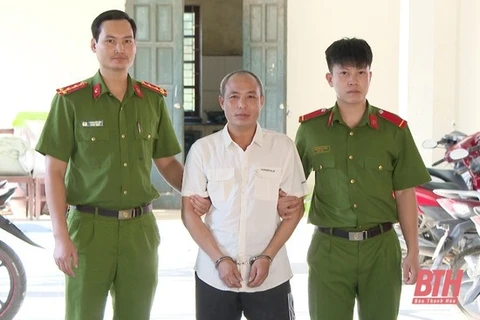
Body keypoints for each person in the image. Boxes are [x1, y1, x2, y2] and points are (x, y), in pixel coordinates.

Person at [35, 9, 209, 320]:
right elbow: (55, 172)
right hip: (88, 230)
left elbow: (167, 162)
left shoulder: (152, 100)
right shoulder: (71, 101)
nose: (120, 49)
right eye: (111, 41)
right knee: (82, 314)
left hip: (138, 231)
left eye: (127, 41)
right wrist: (61, 237)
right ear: (94, 45)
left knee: (136, 314)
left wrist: (199, 192)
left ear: (135, 46)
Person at [294, 38, 431, 320]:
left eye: (361, 72)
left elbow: (406, 194)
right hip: (329, 249)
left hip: (380, 248)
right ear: (330, 78)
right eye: (344, 73)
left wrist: (413, 252)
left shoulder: (394, 131)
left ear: (370, 76)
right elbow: (292, 187)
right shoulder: (311, 130)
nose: (353, 81)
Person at [181, 70, 308, 320]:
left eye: (251, 97)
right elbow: (189, 214)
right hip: (214, 274)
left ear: (262, 100)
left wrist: (267, 256)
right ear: (222, 102)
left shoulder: (282, 147)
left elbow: (295, 211)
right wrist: (220, 260)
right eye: (234, 97)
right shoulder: (203, 151)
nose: (242, 105)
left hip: (269, 274)